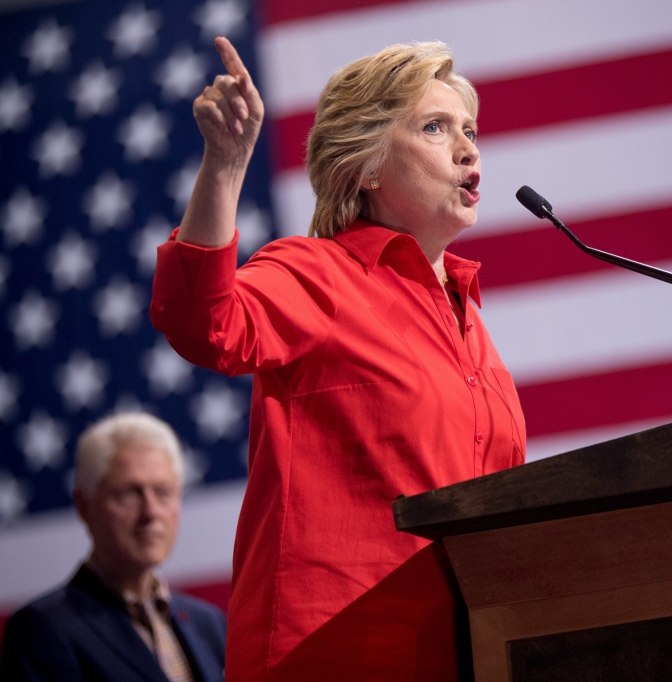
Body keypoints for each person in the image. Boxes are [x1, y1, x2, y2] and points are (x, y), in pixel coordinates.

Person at [149, 37, 525, 679]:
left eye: (470, 130)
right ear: (368, 167)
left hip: (465, 654)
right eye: (435, 128)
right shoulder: (320, 273)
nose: (468, 149)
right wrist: (227, 164)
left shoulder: (470, 320)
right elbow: (203, 323)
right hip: (336, 653)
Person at [0, 413, 226, 682]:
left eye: (163, 492)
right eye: (129, 493)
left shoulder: (210, 624)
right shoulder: (42, 630)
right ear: (84, 506)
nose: (151, 512)